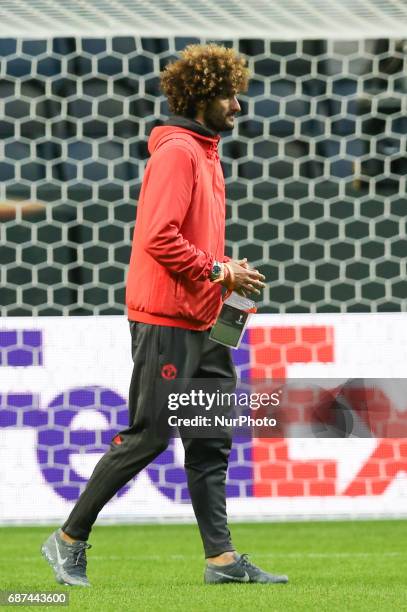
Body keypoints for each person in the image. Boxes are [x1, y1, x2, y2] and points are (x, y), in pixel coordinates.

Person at [41, 43, 288, 587]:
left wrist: (225, 270)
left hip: (205, 318)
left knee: (209, 437)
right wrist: (221, 272)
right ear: (203, 95)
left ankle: (221, 561)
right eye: (231, 95)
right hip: (168, 320)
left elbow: (188, 242)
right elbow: (158, 238)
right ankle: (67, 540)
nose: (239, 106)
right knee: (150, 435)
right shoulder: (178, 152)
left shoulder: (205, 151)